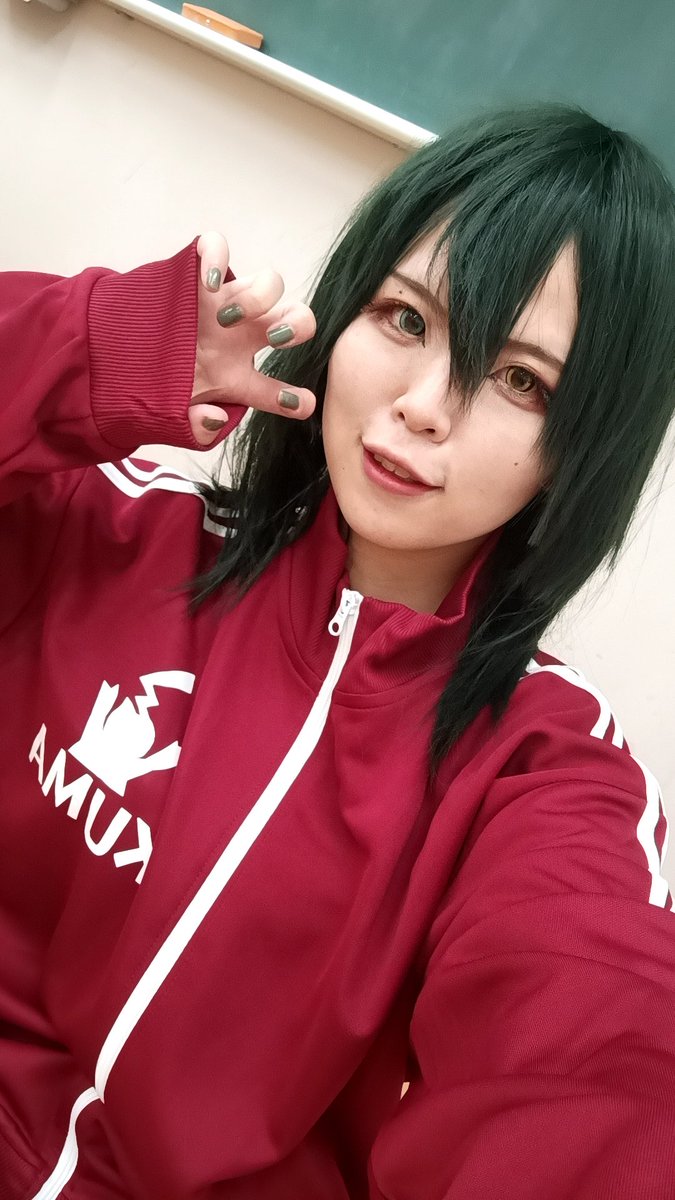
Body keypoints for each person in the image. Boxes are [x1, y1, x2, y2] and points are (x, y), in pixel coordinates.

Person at [1, 102, 674, 1200]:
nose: (423, 406)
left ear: (583, 450)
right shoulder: (122, 530)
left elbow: (595, 1059)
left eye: (521, 381)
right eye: (406, 319)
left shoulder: (544, 771)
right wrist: (96, 350)